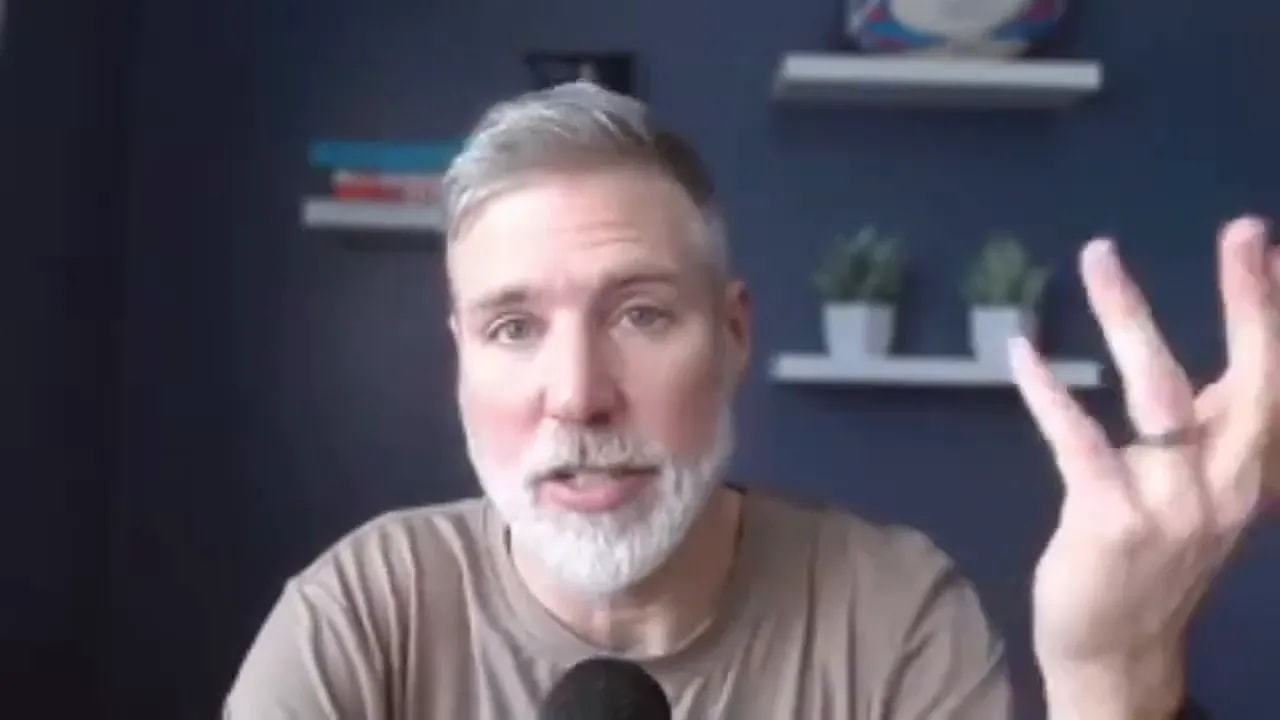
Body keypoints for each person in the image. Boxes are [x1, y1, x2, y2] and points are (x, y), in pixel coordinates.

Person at [223, 81, 1279, 719]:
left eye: (639, 315)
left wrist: (1113, 679)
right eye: (512, 327)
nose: (579, 397)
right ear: (459, 360)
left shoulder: (889, 609)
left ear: (732, 336)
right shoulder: (360, 616)